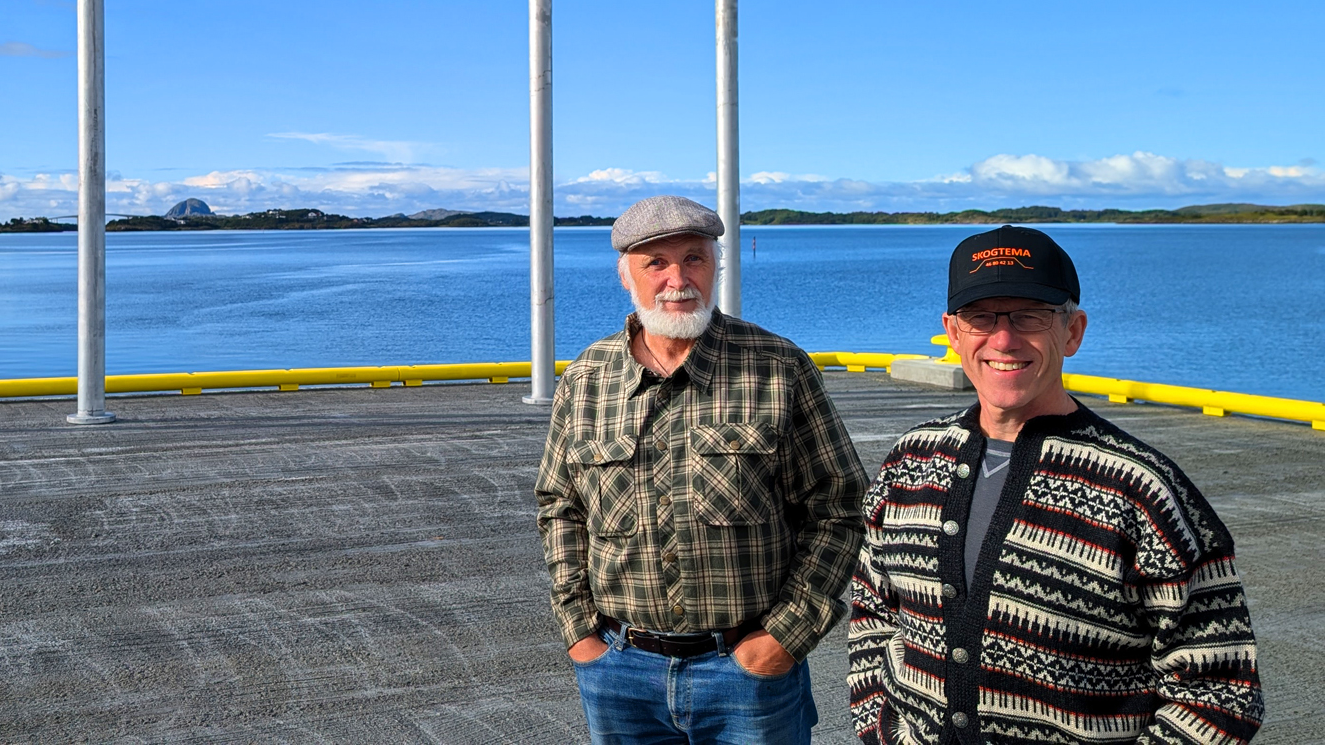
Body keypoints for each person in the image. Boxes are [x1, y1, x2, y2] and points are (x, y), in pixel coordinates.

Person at [849, 225, 1263, 745]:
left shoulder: (1142, 489)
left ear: (1072, 331)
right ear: (953, 332)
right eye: (981, 317)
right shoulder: (910, 460)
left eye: (1030, 315)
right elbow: (873, 610)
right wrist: (880, 728)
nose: (1003, 339)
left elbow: (1220, 691)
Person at [535, 195, 868, 744]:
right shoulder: (587, 378)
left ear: (716, 265)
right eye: (655, 263)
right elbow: (560, 506)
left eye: (694, 258)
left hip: (749, 673)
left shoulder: (776, 367)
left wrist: (785, 637)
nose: (678, 279)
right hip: (619, 672)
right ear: (625, 276)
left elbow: (839, 506)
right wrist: (579, 631)